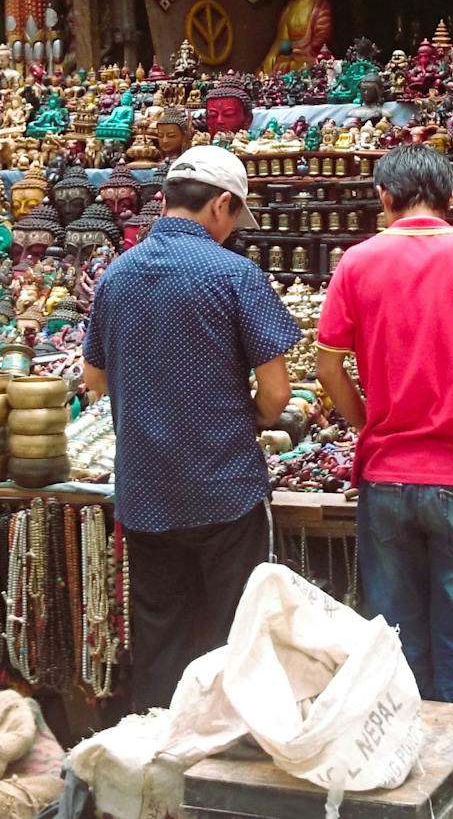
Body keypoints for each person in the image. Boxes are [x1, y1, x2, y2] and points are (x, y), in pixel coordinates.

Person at [313, 144, 453, 705]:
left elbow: (327, 367)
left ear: (383, 197)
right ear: (451, 198)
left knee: (397, 661)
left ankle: (405, 781)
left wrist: (368, 422)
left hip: (386, 478)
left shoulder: (356, 263)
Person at [82, 146, 300, 711]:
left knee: (160, 638)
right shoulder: (235, 274)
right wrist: (247, 419)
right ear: (221, 205)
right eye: (234, 218)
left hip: (146, 493)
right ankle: (229, 765)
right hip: (224, 489)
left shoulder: (117, 274)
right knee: (237, 636)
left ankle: (160, 758)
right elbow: (277, 394)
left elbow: (95, 380)